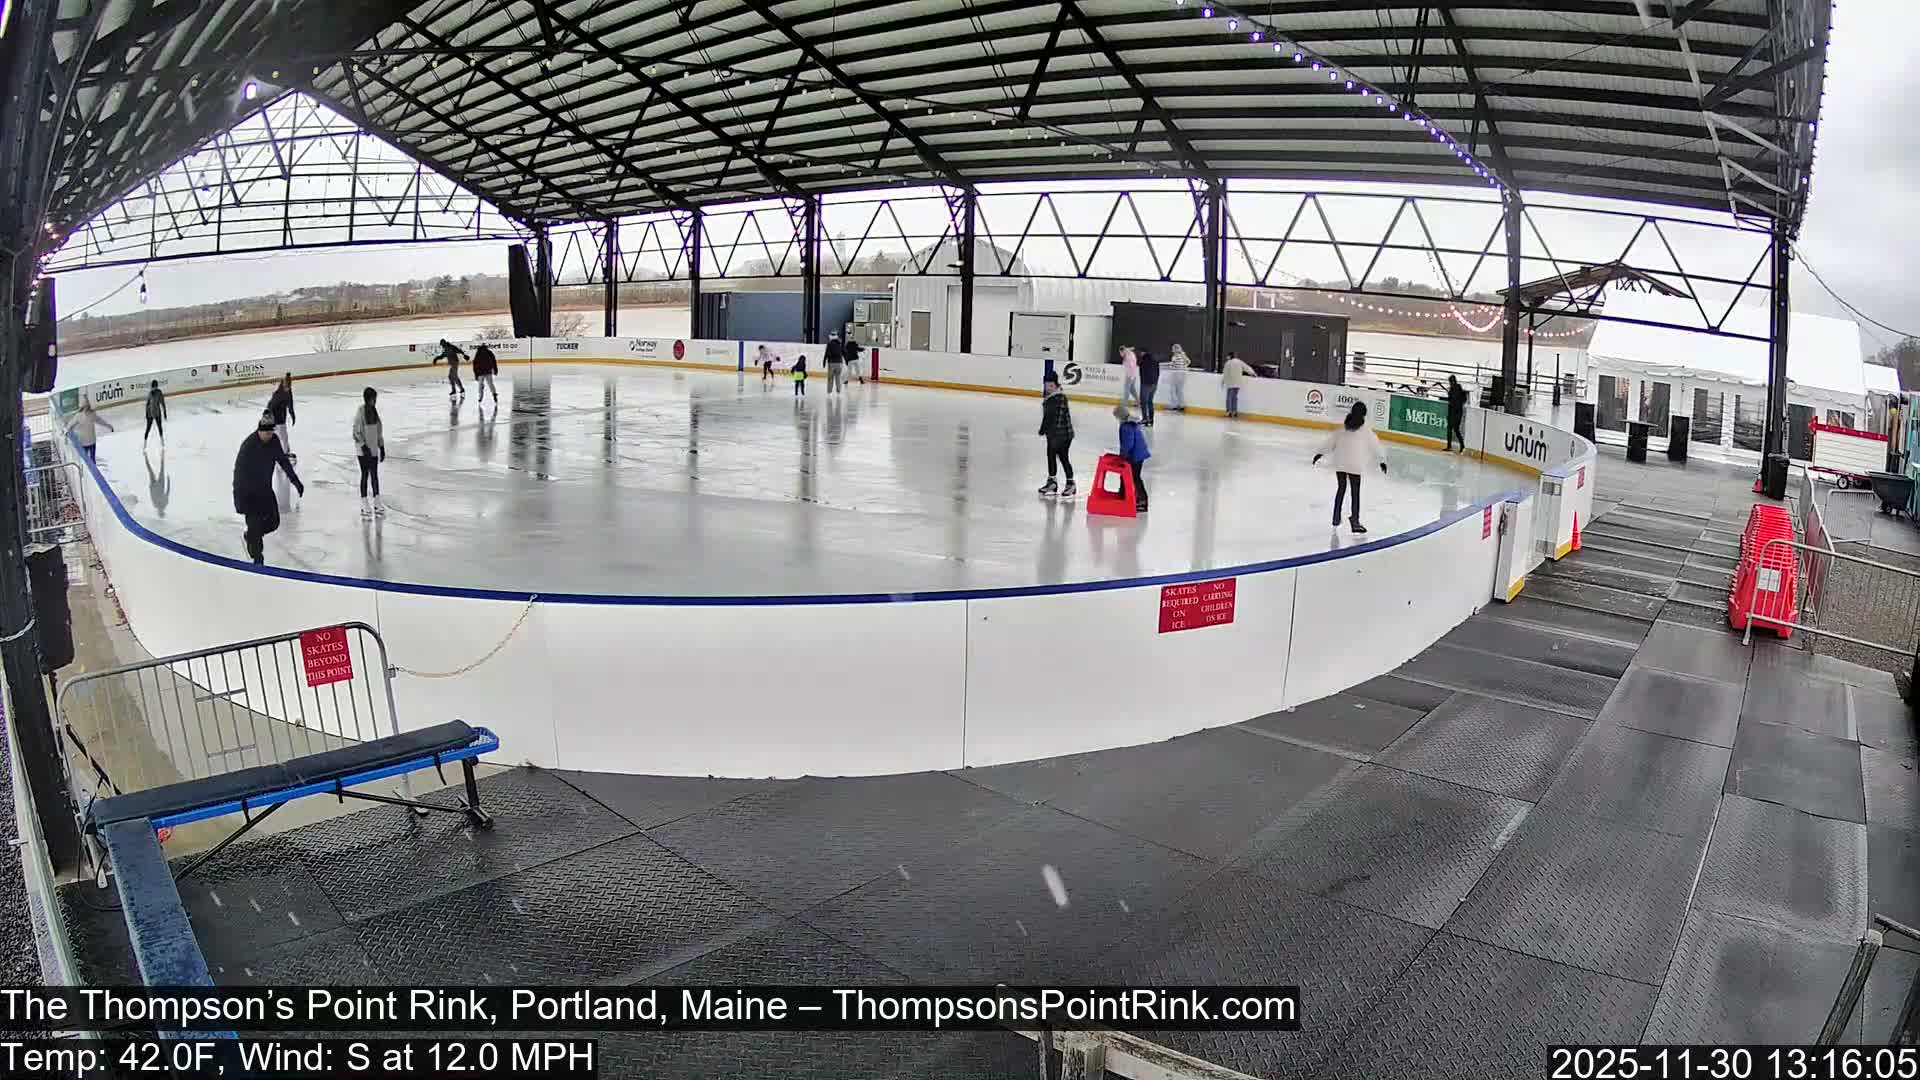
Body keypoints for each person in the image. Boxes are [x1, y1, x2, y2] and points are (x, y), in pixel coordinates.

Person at [233, 411, 304, 564]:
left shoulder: (274, 441)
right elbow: (238, 475)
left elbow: (283, 462)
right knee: (255, 528)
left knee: (274, 522)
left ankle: (251, 535)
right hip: (248, 494)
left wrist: (295, 481)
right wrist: (239, 499)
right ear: (259, 430)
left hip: (265, 490)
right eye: (266, 432)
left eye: (271, 432)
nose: (269, 435)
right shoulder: (249, 446)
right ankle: (258, 562)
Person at [1313, 401, 1387, 534]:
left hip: (1340, 462)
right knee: (1355, 492)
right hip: (1355, 464)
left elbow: (1331, 441)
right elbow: (1375, 445)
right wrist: (1382, 460)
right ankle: (1355, 521)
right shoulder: (1366, 430)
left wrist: (1320, 453)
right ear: (1364, 414)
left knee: (1341, 489)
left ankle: (1336, 517)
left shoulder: (1344, 427)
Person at [1037, 373, 1076, 498]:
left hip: (1063, 435)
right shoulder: (1050, 397)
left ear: (1054, 385)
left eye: (1049, 385)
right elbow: (1047, 416)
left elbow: (1054, 418)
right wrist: (1046, 431)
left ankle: (1071, 483)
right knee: (1051, 456)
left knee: (1063, 457)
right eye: (1045, 385)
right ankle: (1052, 482)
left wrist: (1044, 430)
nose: (1047, 387)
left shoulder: (1059, 398)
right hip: (1053, 434)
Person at [353, 387, 387, 518]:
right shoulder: (360, 412)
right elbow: (356, 432)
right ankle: (364, 502)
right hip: (363, 451)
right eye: (374, 399)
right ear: (369, 399)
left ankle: (377, 501)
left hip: (373, 449)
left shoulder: (374, 412)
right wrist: (363, 446)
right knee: (365, 474)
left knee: (374, 475)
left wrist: (382, 447)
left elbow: (378, 431)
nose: (375, 401)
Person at [1115, 404, 1151, 514]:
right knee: (1128, 476)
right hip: (1138, 454)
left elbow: (1128, 445)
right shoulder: (1131, 424)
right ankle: (1124, 495)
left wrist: (1123, 457)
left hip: (1135, 456)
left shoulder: (1126, 427)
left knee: (1134, 477)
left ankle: (1142, 500)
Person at [70, 398, 113, 463]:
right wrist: (66, 431)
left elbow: (100, 421)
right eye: (85, 406)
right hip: (83, 442)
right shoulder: (78, 416)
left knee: (92, 458)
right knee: (85, 459)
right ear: (83, 407)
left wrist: (108, 425)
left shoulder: (92, 414)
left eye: (88, 406)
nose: (87, 408)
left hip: (92, 441)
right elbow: (71, 424)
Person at [1221, 351, 1256, 418]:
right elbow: (1246, 368)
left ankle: (1229, 412)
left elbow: (1225, 373)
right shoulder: (1239, 362)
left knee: (1229, 398)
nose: (1227, 357)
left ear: (1230, 356)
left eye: (1228, 356)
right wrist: (1253, 373)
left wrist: (1223, 382)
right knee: (1234, 397)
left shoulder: (1228, 363)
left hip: (1230, 383)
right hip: (1237, 383)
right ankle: (1234, 412)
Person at [267, 374, 296, 454]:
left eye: (289, 387)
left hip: (281, 418)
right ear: (283, 385)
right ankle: (284, 454)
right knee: (282, 438)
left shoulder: (288, 391)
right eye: (286, 387)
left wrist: (292, 414)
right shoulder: (278, 394)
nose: (288, 388)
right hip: (276, 419)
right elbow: (270, 406)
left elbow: (290, 404)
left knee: (282, 438)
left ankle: (284, 453)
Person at [1445, 374, 1470, 452]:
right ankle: (1458, 446)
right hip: (1455, 412)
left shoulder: (1455, 389)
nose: (1450, 383)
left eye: (1450, 382)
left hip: (1455, 412)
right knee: (1453, 429)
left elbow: (1452, 400)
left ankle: (1458, 446)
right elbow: (1463, 399)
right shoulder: (1457, 389)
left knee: (1454, 429)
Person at [1138, 348, 1161, 426]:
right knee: (1150, 401)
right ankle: (1151, 419)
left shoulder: (1144, 361)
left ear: (1143, 353)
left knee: (1143, 401)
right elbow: (1158, 372)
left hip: (1146, 384)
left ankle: (1145, 418)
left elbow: (1143, 372)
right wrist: (1155, 382)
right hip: (1154, 384)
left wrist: (1145, 382)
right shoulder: (1155, 360)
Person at [1165, 344, 1191, 412]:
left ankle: (1174, 405)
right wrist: (1183, 367)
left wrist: (1171, 367)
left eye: (1173, 349)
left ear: (1176, 349)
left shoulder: (1175, 356)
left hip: (1176, 374)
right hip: (1183, 374)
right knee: (1180, 390)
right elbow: (1189, 361)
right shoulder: (1183, 355)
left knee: (1173, 390)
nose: (1172, 350)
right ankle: (1182, 405)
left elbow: (1172, 365)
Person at [143, 380, 167, 445]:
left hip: (157, 413)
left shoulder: (159, 392)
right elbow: (147, 404)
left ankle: (162, 440)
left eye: (155, 387)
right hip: (150, 414)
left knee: (159, 427)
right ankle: (145, 442)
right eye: (153, 387)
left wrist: (165, 412)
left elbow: (163, 403)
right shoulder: (150, 393)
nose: (154, 388)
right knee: (148, 428)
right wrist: (146, 414)